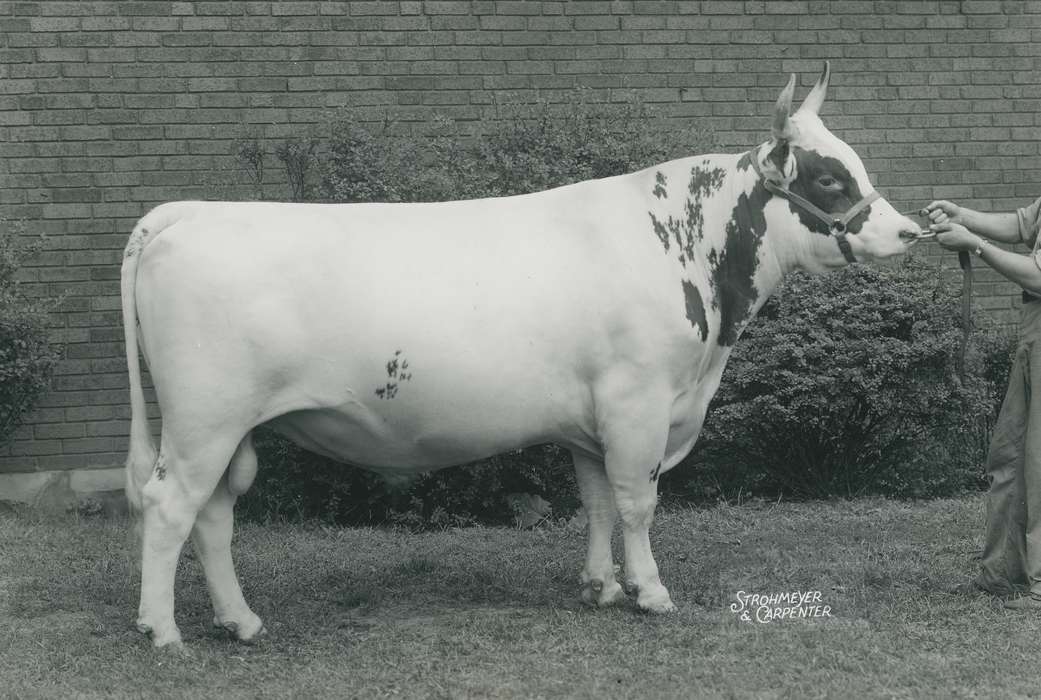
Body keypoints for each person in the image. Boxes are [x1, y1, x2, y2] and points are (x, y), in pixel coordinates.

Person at [926, 196, 1041, 609]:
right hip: (1034, 328)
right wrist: (963, 216)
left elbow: (1037, 275)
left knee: (1040, 462)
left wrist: (973, 242)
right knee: (1009, 455)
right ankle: (1003, 572)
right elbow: (1022, 224)